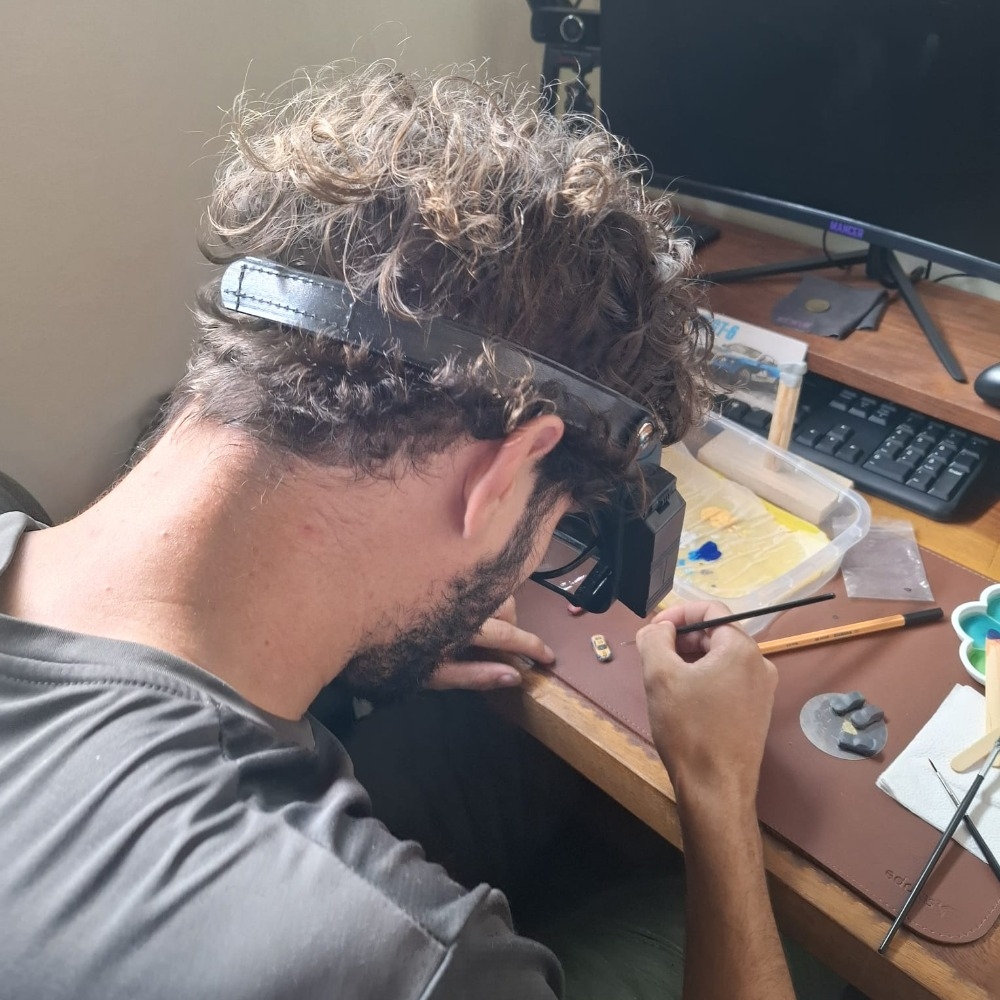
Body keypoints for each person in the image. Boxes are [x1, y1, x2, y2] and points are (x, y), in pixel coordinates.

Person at [0, 61, 817, 999]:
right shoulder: (417, 963)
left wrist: (364, 624)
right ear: (502, 474)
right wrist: (717, 795)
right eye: (551, 527)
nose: (525, 572)